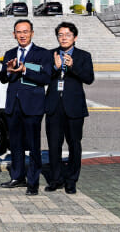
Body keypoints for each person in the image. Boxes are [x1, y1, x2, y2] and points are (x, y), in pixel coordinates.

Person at [0, 19, 53, 196]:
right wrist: (7, 70)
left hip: (32, 106)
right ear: (14, 34)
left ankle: (33, 182)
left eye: (25, 31)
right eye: (19, 32)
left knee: (33, 146)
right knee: (15, 144)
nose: (22, 35)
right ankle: (17, 177)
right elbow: (3, 79)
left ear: (32, 33)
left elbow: (46, 78)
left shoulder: (43, 54)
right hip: (13, 106)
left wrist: (25, 70)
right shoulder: (9, 53)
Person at [45, 22, 94, 195]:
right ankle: (55, 179)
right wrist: (54, 67)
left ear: (75, 37)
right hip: (53, 107)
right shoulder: (50, 54)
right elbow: (42, 76)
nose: (63, 37)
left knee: (74, 144)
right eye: (60, 34)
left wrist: (72, 67)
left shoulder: (84, 56)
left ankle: (71, 180)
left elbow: (89, 78)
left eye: (67, 34)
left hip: (73, 108)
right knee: (54, 145)